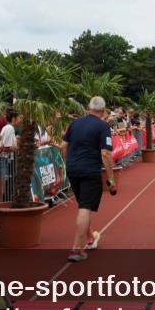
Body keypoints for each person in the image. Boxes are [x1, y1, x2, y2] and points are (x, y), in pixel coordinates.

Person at [61, 96, 116, 262]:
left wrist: (68, 162)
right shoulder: (103, 126)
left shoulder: (75, 123)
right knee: (85, 207)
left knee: (84, 205)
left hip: (73, 169)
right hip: (90, 170)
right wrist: (111, 180)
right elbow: (105, 153)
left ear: (88, 108)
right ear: (104, 111)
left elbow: (64, 145)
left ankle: (91, 237)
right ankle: (76, 249)